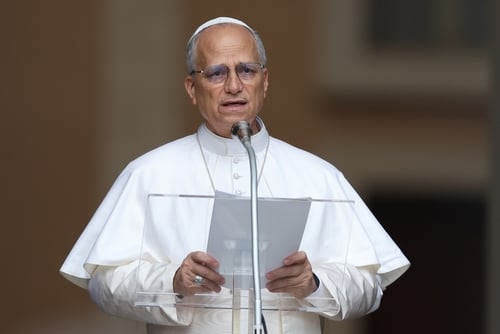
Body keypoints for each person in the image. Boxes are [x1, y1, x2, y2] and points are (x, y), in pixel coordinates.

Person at [60, 17, 410, 334]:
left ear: (265, 81)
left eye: (246, 70)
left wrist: (313, 283)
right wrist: (173, 281)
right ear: (191, 88)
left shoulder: (318, 175)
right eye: (215, 73)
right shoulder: (149, 173)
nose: (233, 85)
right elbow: (103, 284)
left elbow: (368, 287)